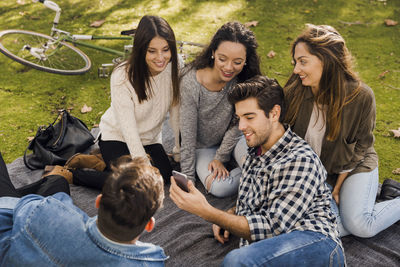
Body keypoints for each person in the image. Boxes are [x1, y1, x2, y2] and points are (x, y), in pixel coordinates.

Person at [170, 76, 344, 266]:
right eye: (239, 118)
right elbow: (257, 202)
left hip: (315, 243)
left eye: (249, 117)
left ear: (274, 113)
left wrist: (208, 212)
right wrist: (230, 215)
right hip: (272, 247)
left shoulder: (299, 159)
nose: (241, 126)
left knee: (237, 261)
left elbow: (272, 227)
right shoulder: (256, 153)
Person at [284, 24, 400, 237]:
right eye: (295, 62)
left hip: (354, 166)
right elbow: (283, 136)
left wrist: (338, 187)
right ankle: (382, 194)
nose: (296, 70)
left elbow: (362, 146)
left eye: (303, 62)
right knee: (331, 228)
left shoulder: (362, 96)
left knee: (361, 226)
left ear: (326, 60)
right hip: (317, 174)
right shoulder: (296, 90)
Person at [43, 15, 181, 189]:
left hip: (150, 138)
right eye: (151, 51)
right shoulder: (122, 76)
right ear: (140, 49)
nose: (160, 57)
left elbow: (176, 111)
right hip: (117, 136)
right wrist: (144, 165)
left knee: (165, 176)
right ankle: (70, 174)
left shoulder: (175, 66)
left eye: (166, 49)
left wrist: (178, 150)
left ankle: (99, 161)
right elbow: (128, 128)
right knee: (137, 184)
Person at [0, 154, 167, 266]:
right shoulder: (152, 261)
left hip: (10, 236)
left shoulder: (45, 212)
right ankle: (55, 179)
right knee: (58, 182)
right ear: (149, 225)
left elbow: (22, 206)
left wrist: (57, 207)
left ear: (98, 201)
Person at [179, 21, 261, 197]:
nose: (229, 67)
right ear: (213, 52)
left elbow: (238, 123)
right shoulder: (191, 82)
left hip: (238, 137)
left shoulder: (244, 79)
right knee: (220, 187)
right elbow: (187, 135)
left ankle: (261, 172)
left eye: (237, 62)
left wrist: (220, 157)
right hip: (203, 147)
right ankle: (262, 176)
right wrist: (188, 184)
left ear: (246, 61)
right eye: (223, 59)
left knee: (254, 165)